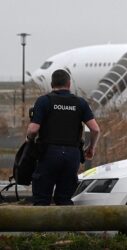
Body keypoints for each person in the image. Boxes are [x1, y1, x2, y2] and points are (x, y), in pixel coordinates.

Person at [26, 69, 100, 206]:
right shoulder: (80, 103)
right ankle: (66, 227)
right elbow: (94, 129)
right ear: (69, 83)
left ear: (52, 84)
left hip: (48, 153)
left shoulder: (44, 101)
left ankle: (41, 227)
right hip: (72, 155)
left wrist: (29, 140)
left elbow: (33, 129)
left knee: (41, 200)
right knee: (64, 200)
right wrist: (91, 147)